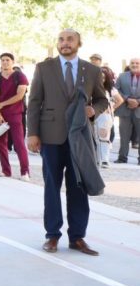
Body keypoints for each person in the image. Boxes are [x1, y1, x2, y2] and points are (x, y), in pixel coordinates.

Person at [27, 29, 109, 255]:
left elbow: (102, 99)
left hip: (80, 138)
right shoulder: (44, 68)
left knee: (78, 187)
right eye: (61, 39)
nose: (65, 43)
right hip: (50, 136)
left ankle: (78, 237)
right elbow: (34, 102)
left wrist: (94, 110)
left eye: (70, 39)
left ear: (78, 43)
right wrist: (32, 133)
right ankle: (52, 235)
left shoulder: (92, 70)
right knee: (52, 187)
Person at [0, 53, 31, 179]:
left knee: (19, 143)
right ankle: (6, 170)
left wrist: (2, 104)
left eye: (7, 60)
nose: (5, 62)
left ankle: (25, 172)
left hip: (15, 113)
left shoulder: (20, 76)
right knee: (0, 142)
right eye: (2, 60)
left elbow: (19, 96)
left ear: (13, 62)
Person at [95, 67, 122, 169]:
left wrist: (112, 108)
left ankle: (104, 160)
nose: (101, 79)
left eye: (103, 77)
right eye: (99, 77)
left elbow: (120, 100)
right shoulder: (92, 88)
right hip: (94, 115)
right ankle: (97, 159)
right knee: (95, 137)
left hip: (104, 116)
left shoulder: (110, 90)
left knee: (104, 137)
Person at [115, 58, 140, 164]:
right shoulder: (122, 76)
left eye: (137, 63)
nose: (134, 65)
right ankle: (122, 158)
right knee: (124, 136)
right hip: (125, 110)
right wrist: (127, 99)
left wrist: (138, 102)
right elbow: (116, 89)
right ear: (129, 65)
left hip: (139, 110)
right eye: (132, 63)